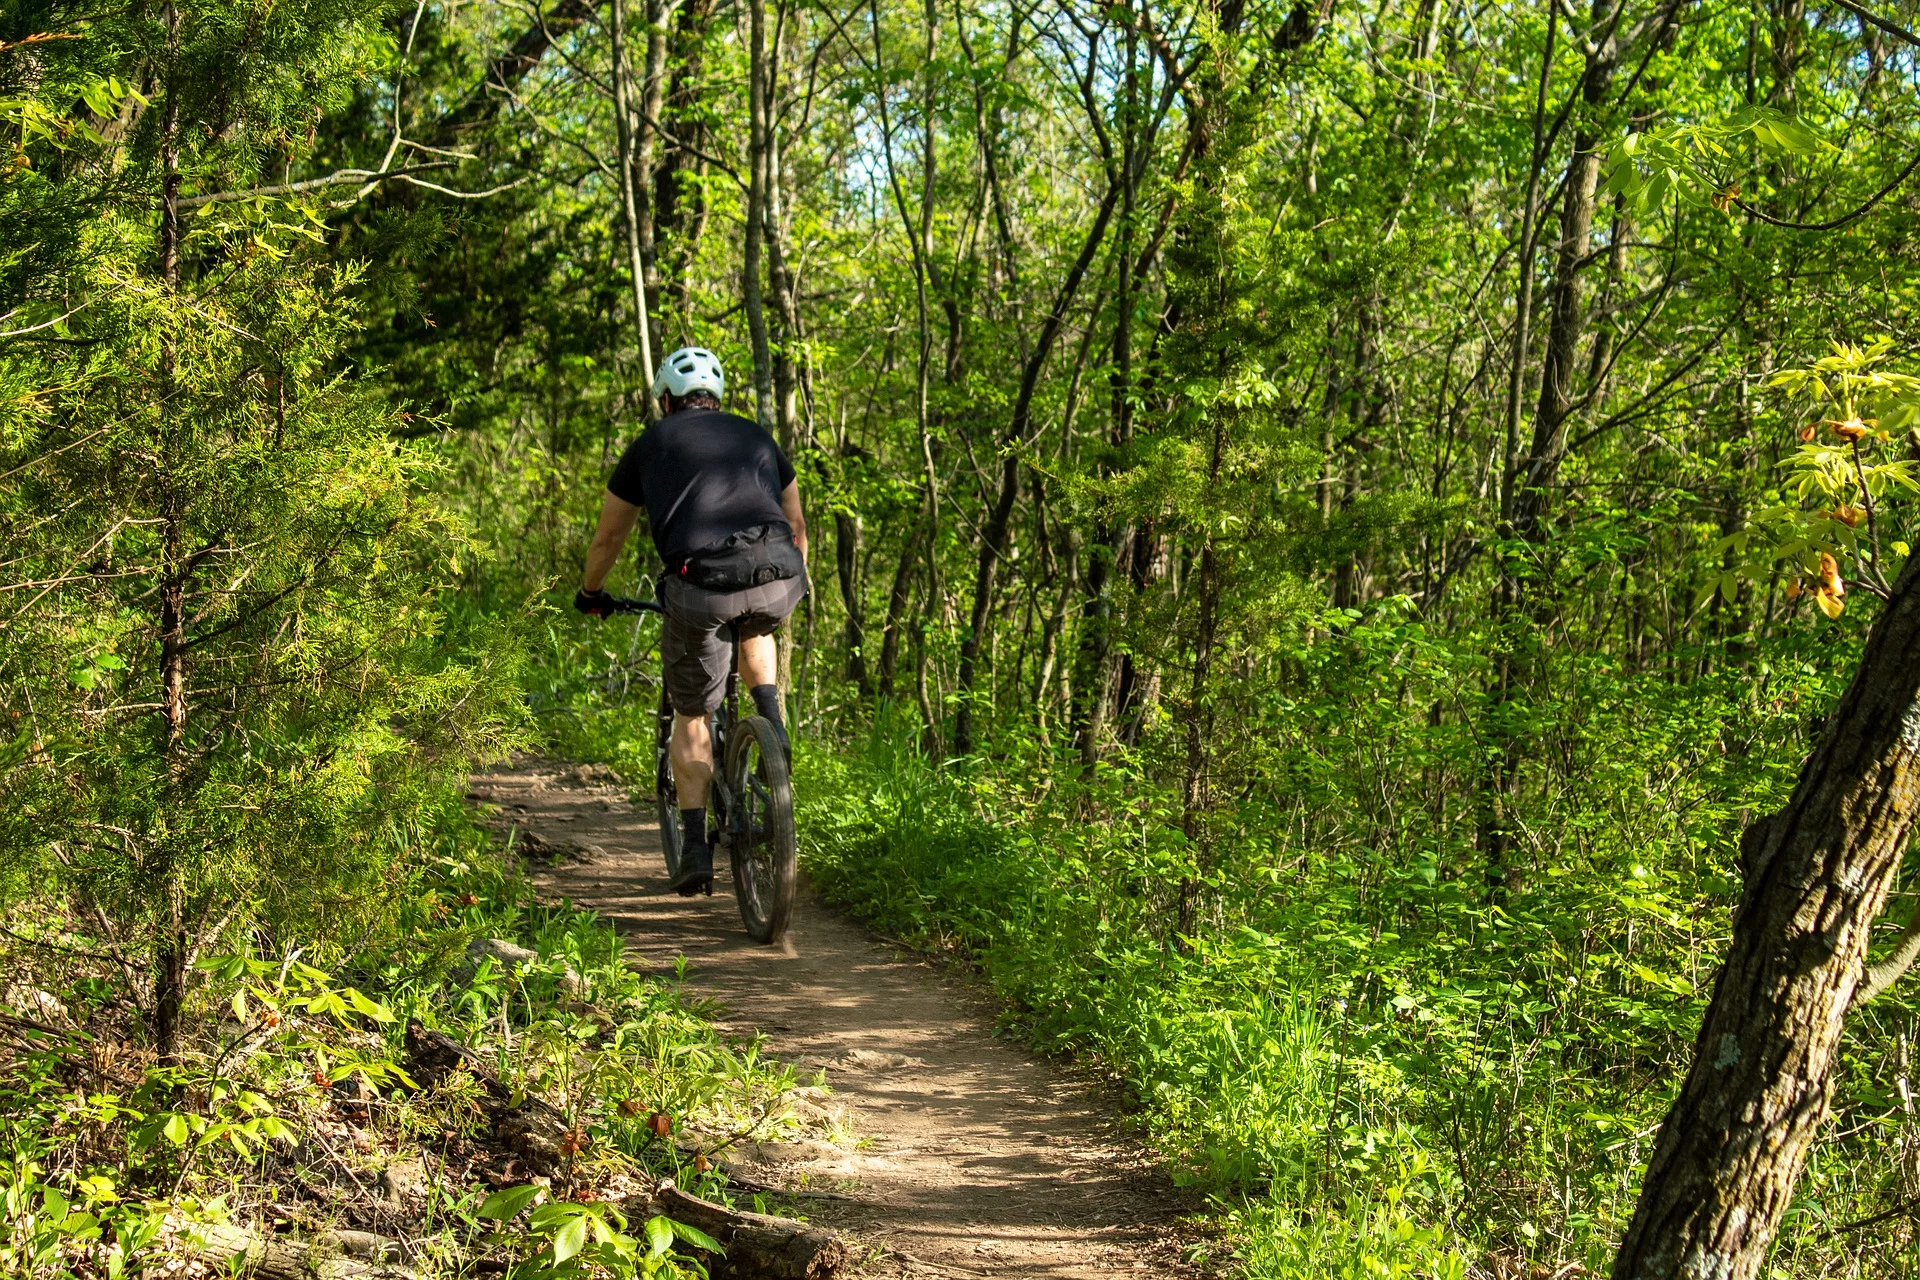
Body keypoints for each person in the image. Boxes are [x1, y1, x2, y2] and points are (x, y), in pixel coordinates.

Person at [575, 347, 808, 896]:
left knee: (693, 714)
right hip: (780, 570)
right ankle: (770, 719)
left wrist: (591, 592)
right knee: (756, 623)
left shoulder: (649, 444)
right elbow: (795, 522)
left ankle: (697, 847)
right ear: (717, 398)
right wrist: (792, 580)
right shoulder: (756, 435)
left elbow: (610, 536)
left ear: (665, 399)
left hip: (701, 584)